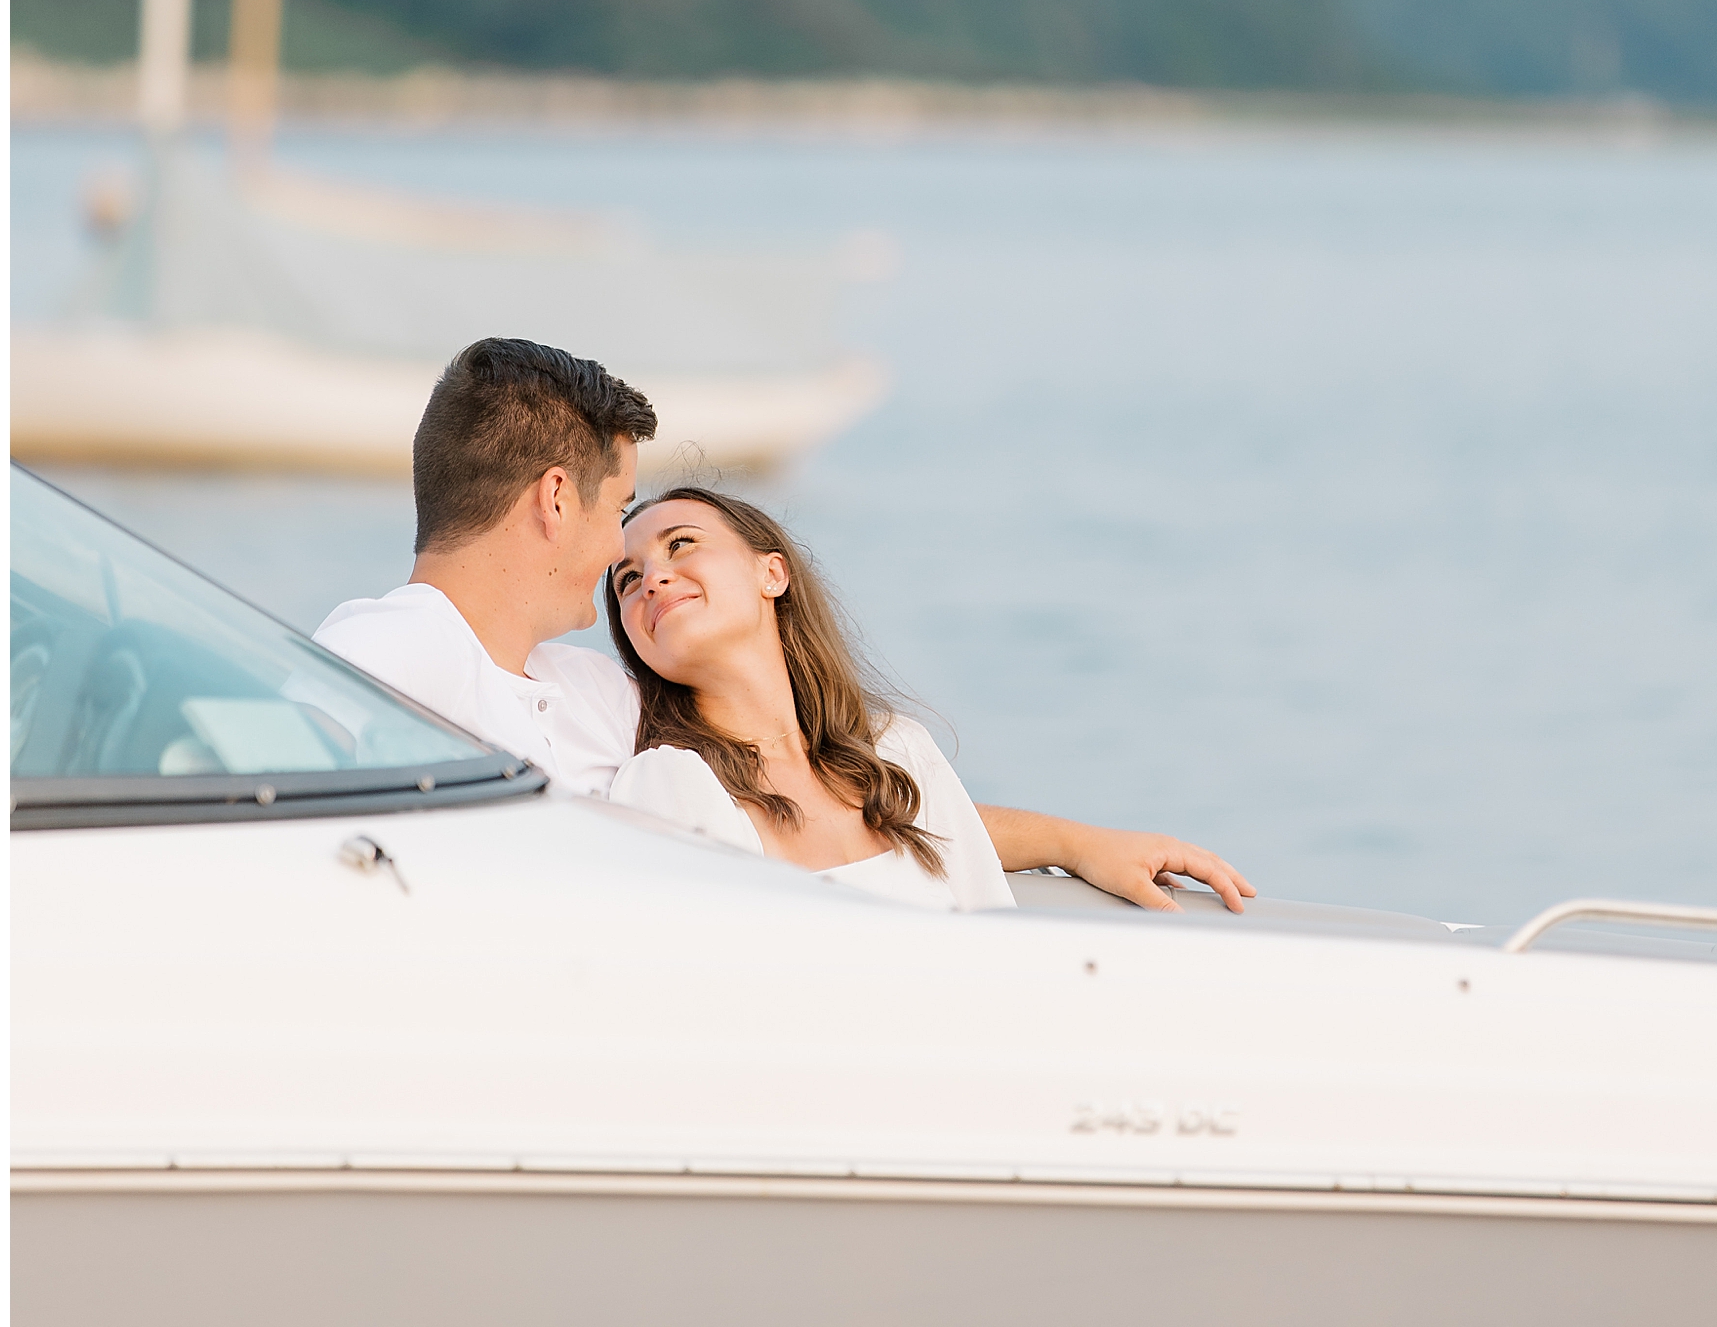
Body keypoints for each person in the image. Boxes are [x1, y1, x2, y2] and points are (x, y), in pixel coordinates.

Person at [317, 334, 1255, 913]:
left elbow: (816, 804)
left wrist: (1074, 841)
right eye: (623, 515)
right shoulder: (395, 649)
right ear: (557, 499)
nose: (625, 561)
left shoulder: (595, 693)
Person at [606, 486, 1015, 911]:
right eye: (628, 580)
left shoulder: (899, 752)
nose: (651, 580)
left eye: (680, 544)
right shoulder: (669, 781)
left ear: (772, 574)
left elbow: (997, 931)